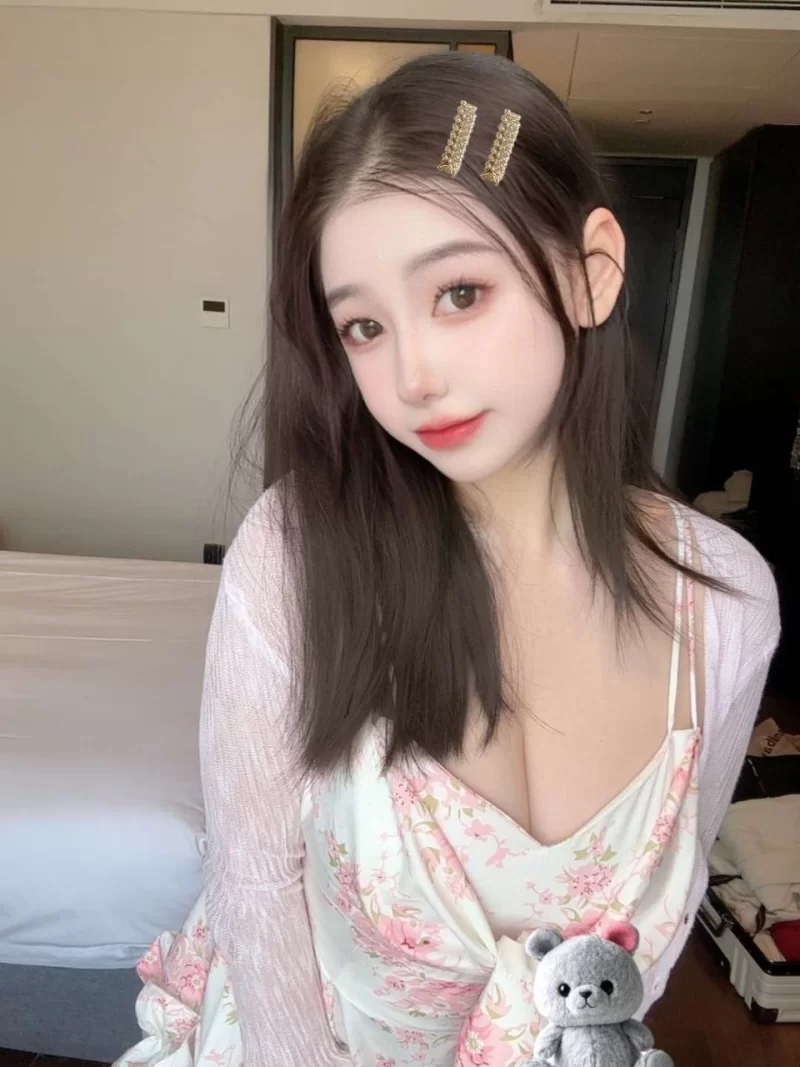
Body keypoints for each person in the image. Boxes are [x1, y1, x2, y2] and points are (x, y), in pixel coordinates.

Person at [115, 51, 780, 1067]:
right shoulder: (297, 555)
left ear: (590, 271)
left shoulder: (723, 601)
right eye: (363, 326)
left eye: (460, 292)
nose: (412, 373)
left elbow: (661, 917)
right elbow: (254, 882)